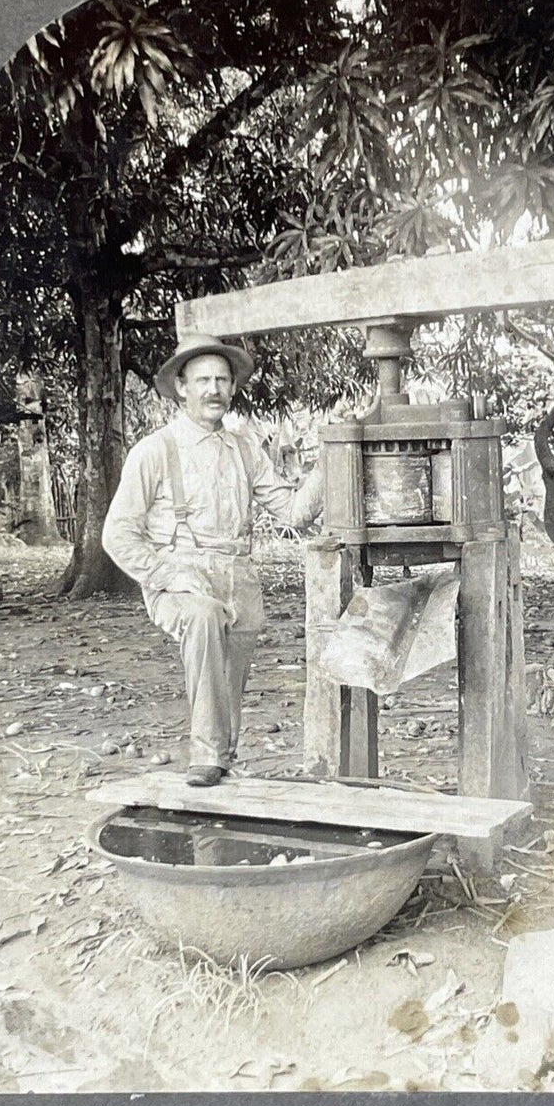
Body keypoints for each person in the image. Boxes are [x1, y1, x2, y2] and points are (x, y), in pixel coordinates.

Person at [102, 331, 322, 786]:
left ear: (232, 388)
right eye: (202, 380)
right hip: (180, 577)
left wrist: (339, 451)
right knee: (202, 618)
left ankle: (220, 762)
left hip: (238, 576)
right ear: (181, 387)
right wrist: (170, 575)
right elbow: (117, 534)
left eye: (221, 380)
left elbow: (295, 513)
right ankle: (205, 756)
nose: (213, 390)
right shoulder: (155, 451)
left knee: (229, 682)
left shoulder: (244, 448)